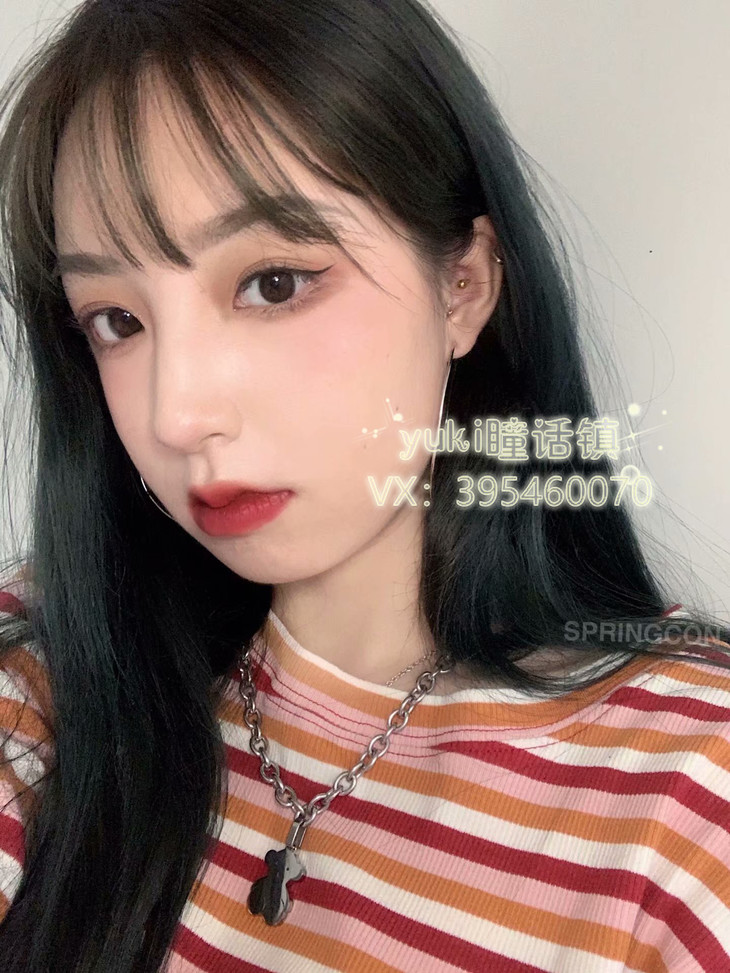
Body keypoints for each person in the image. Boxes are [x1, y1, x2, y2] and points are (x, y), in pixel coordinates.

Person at [0, 0, 729, 969]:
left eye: (273, 282)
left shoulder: (687, 794)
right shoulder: (48, 677)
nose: (177, 415)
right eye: (117, 321)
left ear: (462, 286)